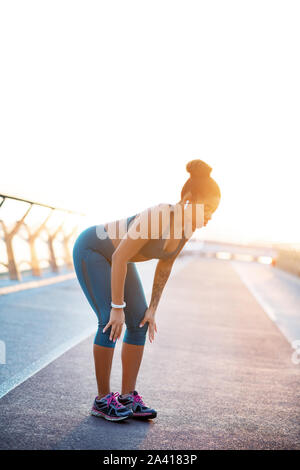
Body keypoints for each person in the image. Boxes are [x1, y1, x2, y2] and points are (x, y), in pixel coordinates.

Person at [72, 159, 221, 422]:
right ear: (188, 198)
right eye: (207, 209)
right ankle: (102, 401)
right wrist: (117, 308)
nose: (209, 218)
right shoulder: (159, 215)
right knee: (110, 319)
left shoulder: (187, 227)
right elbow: (119, 257)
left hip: (118, 259)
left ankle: (127, 396)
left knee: (139, 321)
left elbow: (165, 265)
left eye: (213, 212)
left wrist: (152, 309)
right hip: (93, 249)